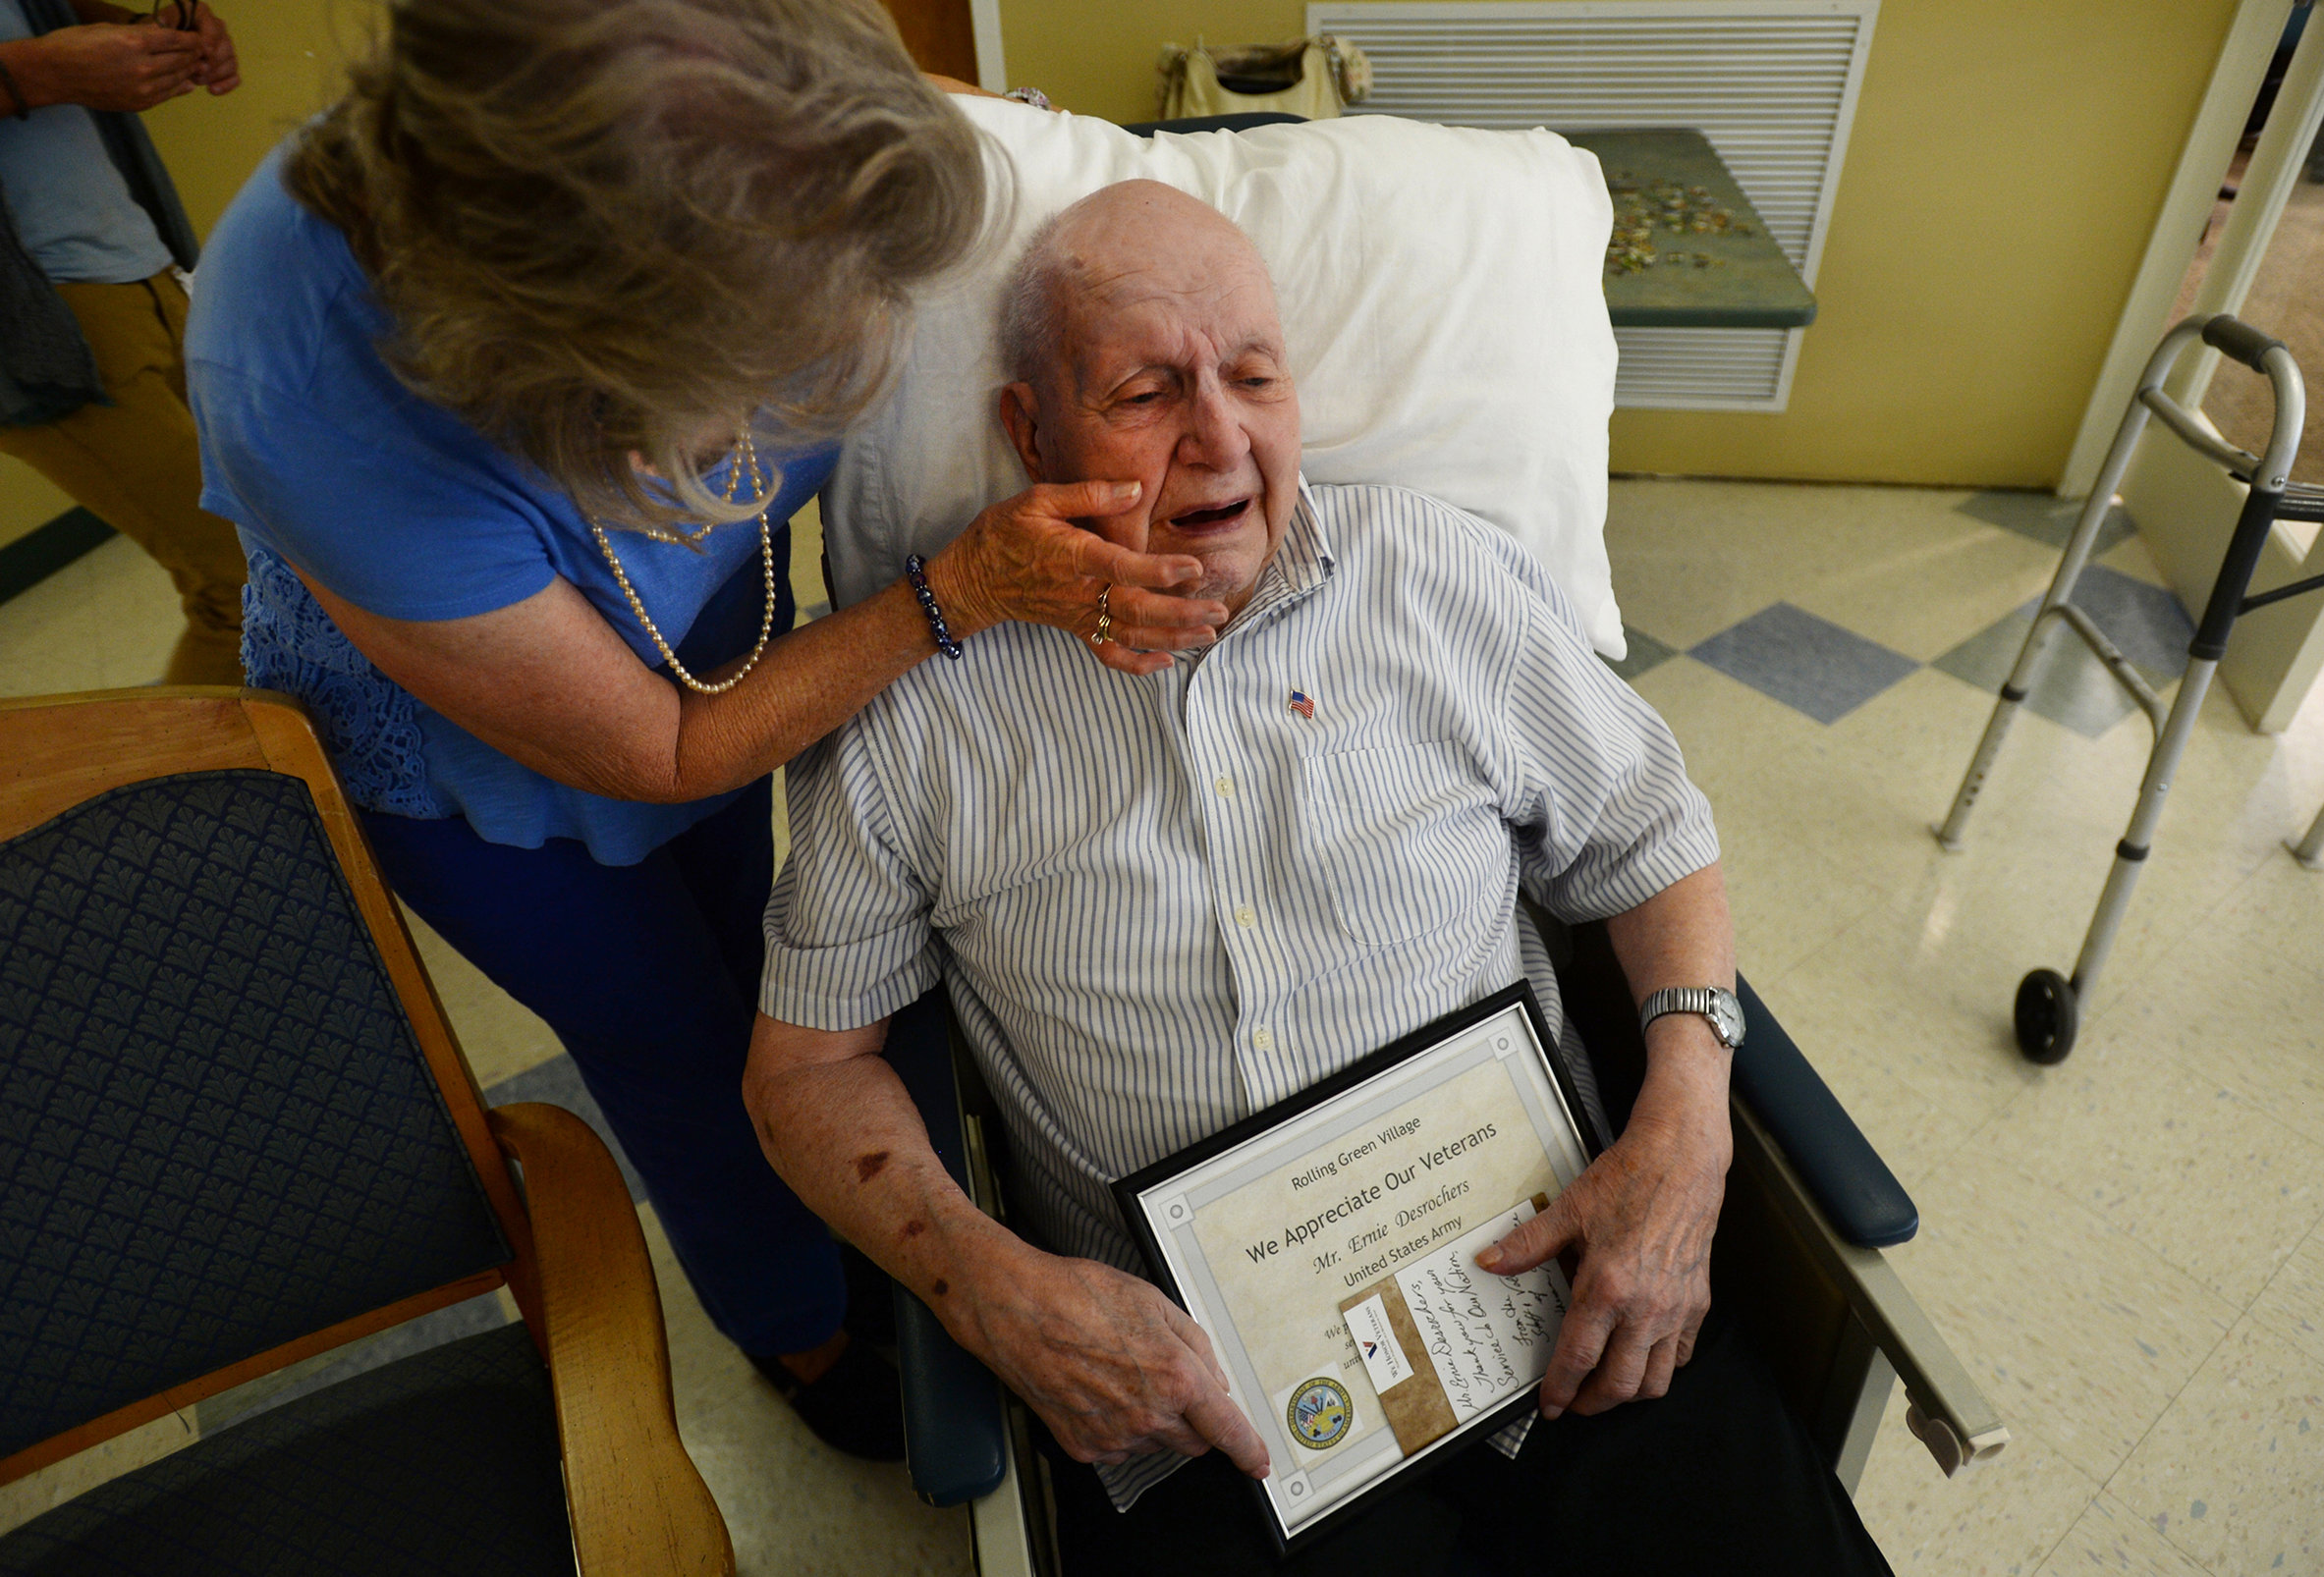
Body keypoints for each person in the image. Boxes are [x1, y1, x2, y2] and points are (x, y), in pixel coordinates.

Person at [746, 181, 1891, 1571]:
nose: (1220, 434)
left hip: (1569, 1302)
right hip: (1202, 1413)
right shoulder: (923, 711)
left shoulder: (1439, 581)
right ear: (1031, 432)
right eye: (1147, 388)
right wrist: (988, 1286)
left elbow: (1652, 839)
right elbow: (805, 1070)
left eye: (1253, 375)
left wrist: (1690, 1121)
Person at [182, 2, 1228, 1461]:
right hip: (481, 770)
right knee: (672, 1037)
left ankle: (833, 1202)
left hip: (710, 633)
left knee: (773, 967)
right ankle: (792, 1328)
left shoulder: (730, 73)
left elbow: (864, 123)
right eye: (792, 361)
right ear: (603, 380)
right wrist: (963, 589)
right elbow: (657, 749)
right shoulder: (305, 383)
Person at [0, 0, 245, 684]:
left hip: (135, 266)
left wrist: (144, 35)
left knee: (283, 548)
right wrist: (35, 73)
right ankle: (198, 789)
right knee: (246, 580)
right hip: (39, 321)